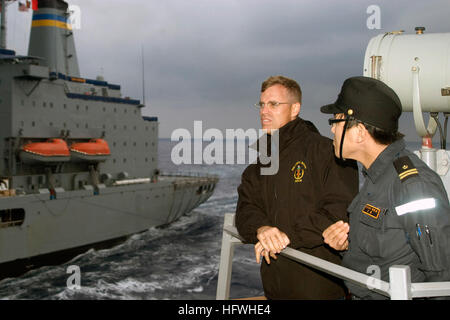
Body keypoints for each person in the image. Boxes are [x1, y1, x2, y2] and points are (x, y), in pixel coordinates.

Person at [321, 76, 450, 299]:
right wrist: (345, 245)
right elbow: (387, 249)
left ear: (360, 131)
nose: (332, 130)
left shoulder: (412, 185)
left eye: (337, 121)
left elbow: (442, 278)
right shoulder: (377, 178)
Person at [235, 75, 359, 299]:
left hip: (321, 290)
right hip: (275, 289)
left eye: (274, 104)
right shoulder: (260, 164)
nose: (264, 111)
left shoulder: (327, 152)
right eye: (261, 104)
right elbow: (245, 210)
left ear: (295, 109)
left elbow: (338, 212)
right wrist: (262, 229)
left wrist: (283, 236)